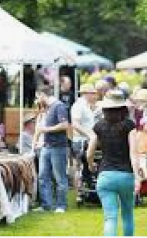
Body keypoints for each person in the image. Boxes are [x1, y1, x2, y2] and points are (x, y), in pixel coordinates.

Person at [87, 90, 136, 236]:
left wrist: (91, 165)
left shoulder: (98, 126)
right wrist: (139, 177)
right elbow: (134, 153)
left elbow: (89, 152)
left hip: (105, 176)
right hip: (126, 176)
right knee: (127, 216)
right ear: (123, 107)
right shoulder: (129, 126)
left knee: (110, 218)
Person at [34, 85, 70, 213]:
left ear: (43, 95)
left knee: (60, 178)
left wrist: (46, 130)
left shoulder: (59, 106)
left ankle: (61, 206)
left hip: (58, 147)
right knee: (43, 176)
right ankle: (46, 205)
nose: (38, 100)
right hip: (46, 146)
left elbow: (65, 125)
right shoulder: (48, 108)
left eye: (38, 97)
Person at [70, 84, 98, 203]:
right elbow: (75, 124)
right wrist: (90, 135)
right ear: (86, 93)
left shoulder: (86, 106)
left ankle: (86, 191)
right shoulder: (78, 106)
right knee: (80, 168)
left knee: (85, 168)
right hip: (80, 141)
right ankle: (79, 194)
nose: (95, 95)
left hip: (88, 141)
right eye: (93, 93)